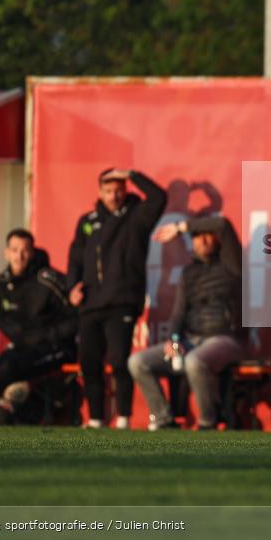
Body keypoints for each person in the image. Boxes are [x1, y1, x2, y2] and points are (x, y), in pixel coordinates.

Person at [68, 168, 167, 428]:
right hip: (90, 303)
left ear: (126, 189)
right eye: (109, 191)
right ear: (100, 191)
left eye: (119, 190)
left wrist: (132, 174)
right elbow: (75, 258)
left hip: (122, 301)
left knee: (119, 360)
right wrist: (72, 288)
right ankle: (97, 419)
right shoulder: (87, 221)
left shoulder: (137, 215)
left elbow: (159, 197)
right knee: (89, 363)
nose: (114, 196)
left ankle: (123, 418)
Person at [128, 214, 244, 430]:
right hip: (192, 340)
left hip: (225, 339)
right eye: (197, 237)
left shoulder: (231, 264)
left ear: (217, 239)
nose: (203, 241)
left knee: (194, 361)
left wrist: (181, 227)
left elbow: (223, 223)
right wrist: (173, 340)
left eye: (207, 235)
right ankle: (163, 419)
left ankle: (207, 422)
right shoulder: (188, 273)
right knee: (138, 362)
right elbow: (178, 314)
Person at [0, 229, 76, 426]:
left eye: (24, 251)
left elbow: (75, 318)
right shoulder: (4, 282)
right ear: (7, 252)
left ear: (31, 252)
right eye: (14, 250)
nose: (19, 256)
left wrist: (48, 336)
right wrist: (23, 337)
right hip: (24, 348)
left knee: (10, 365)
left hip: (55, 348)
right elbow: (1, 317)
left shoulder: (48, 280)